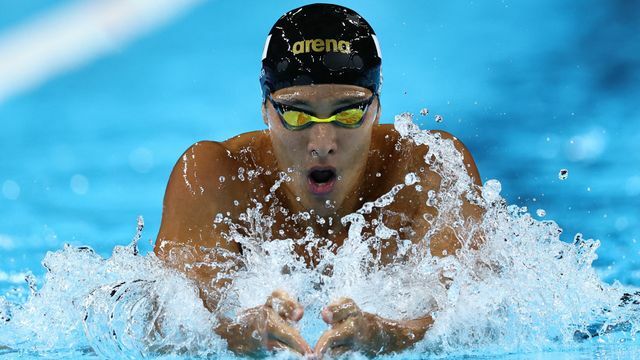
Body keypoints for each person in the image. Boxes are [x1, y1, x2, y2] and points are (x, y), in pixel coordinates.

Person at [154, 3, 483, 357]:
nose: (323, 144)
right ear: (266, 110)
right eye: (297, 114)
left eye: (350, 111)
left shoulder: (429, 169)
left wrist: (388, 336)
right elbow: (165, 332)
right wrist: (237, 336)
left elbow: (475, 321)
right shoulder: (213, 178)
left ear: (376, 108)